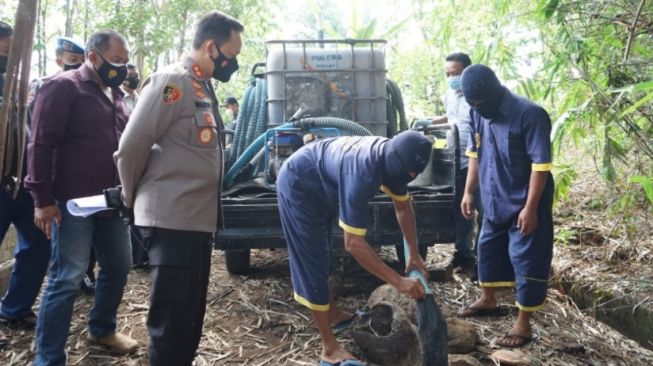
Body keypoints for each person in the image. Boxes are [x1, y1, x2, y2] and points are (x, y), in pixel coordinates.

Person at [114, 11, 243, 366]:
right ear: (211, 47)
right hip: (172, 221)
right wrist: (131, 199)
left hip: (195, 221)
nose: (235, 62)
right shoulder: (174, 82)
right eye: (232, 53)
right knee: (171, 320)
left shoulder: (202, 85)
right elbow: (131, 147)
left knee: (189, 317)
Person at [26, 30, 138, 365]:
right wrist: (42, 199)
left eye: (125, 61)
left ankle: (102, 329)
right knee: (68, 277)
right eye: (116, 60)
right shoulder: (65, 87)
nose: (122, 67)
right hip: (72, 202)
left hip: (111, 202)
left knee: (120, 265)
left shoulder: (115, 93)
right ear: (93, 56)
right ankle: (48, 357)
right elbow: (40, 143)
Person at [277, 130, 431, 366]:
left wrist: (414, 254)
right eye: (406, 173)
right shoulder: (363, 171)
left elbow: (402, 207)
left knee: (323, 253)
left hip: (322, 184)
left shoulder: (396, 162)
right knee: (313, 261)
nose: (409, 177)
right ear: (394, 162)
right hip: (299, 184)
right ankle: (329, 349)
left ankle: (332, 314)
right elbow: (354, 244)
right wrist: (398, 282)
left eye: (413, 174)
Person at [457, 64, 554, 349]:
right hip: (493, 196)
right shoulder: (477, 112)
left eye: (479, 103)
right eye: (471, 103)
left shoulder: (530, 114)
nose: (476, 108)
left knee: (527, 258)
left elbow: (541, 165)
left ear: (495, 92)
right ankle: (488, 299)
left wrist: (531, 207)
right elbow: (474, 154)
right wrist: (468, 192)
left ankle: (523, 323)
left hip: (525, 200)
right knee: (486, 248)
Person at [0, 20, 52, 348]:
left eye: (10, 47)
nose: (9, 53)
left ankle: (14, 308)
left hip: (20, 182)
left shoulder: (13, 82)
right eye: (5, 47)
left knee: (38, 243)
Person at [432, 52, 481, 272]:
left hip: (477, 162)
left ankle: (484, 259)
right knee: (462, 210)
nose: (451, 77)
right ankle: (463, 254)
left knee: (485, 211)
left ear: (467, 73)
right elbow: (452, 117)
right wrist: (431, 121)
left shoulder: (477, 96)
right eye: (448, 73)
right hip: (454, 161)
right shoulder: (449, 95)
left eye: (456, 73)